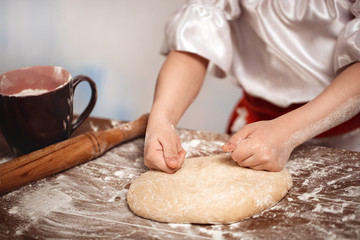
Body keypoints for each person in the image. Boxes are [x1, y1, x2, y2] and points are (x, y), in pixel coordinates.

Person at [144, 0, 360, 173]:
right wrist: (162, 119)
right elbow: (192, 43)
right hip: (254, 132)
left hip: (350, 140)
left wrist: (287, 131)